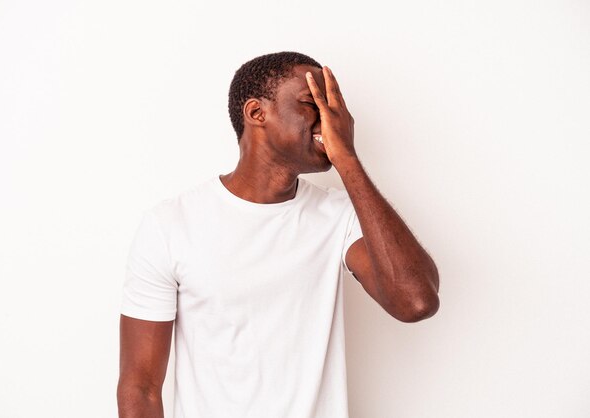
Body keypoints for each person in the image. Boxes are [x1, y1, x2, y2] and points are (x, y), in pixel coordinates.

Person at [117, 51, 440, 418]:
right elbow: (140, 387)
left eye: (333, 107)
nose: (330, 119)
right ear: (256, 113)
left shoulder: (340, 217)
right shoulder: (170, 225)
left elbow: (416, 302)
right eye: (312, 103)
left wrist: (347, 158)